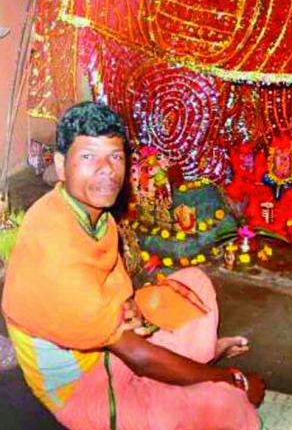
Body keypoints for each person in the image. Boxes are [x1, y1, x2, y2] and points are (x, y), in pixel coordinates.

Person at [2, 102, 265, 429]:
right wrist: (234, 380)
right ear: (60, 164)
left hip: (114, 343)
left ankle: (191, 367)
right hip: (87, 390)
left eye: (115, 156)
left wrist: (130, 309)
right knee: (225, 406)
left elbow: (117, 295)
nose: (106, 169)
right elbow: (140, 358)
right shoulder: (57, 252)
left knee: (193, 283)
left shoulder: (88, 213)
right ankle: (194, 374)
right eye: (88, 157)